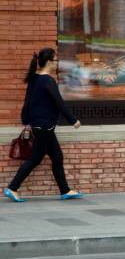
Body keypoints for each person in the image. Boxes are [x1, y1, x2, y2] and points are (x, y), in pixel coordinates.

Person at [4, 48, 83, 202]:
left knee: (57, 157)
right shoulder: (48, 80)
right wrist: (73, 120)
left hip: (42, 126)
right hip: (44, 127)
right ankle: (12, 188)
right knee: (35, 159)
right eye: (55, 60)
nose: (56, 63)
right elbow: (59, 102)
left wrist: (26, 121)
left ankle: (65, 190)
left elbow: (27, 102)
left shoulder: (34, 79)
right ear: (48, 62)